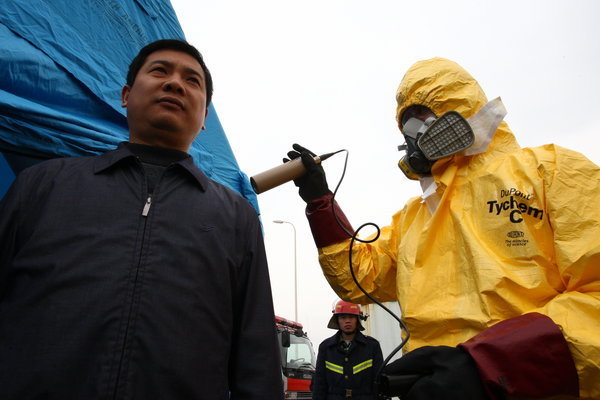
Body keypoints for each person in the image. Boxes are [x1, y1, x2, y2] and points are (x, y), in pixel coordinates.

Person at [286, 57, 600, 399]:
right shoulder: (414, 217)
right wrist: (320, 201)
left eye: (422, 115)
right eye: (406, 125)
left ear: (459, 108)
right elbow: (357, 276)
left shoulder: (552, 172)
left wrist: (490, 367)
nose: (415, 133)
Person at [0, 39, 283, 400]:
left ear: (205, 117)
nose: (176, 83)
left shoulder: (234, 216)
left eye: (192, 80)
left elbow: (256, 354)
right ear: (125, 95)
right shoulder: (42, 185)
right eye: (160, 71)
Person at [311, 300, 383, 400]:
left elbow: (379, 382)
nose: (347, 321)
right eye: (343, 317)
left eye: (351, 317)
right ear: (337, 320)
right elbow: (319, 383)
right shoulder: (326, 347)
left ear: (358, 319)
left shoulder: (372, 346)